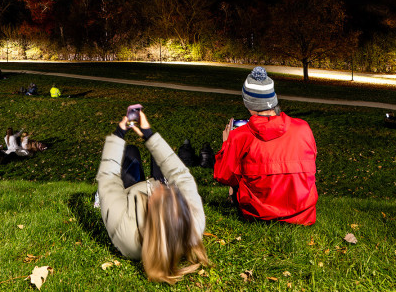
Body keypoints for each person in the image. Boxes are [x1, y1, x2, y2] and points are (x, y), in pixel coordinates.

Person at [96, 109, 209, 284]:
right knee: (159, 160)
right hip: (151, 203)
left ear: (152, 214)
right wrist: (148, 134)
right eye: (173, 194)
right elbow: (180, 175)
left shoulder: (127, 236)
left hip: (129, 194)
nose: (164, 188)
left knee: (130, 151)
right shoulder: (193, 224)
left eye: (162, 194)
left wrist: (119, 133)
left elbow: (108, 180)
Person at [213, 66, 317, 225]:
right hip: (302, 213)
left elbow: (224, 176)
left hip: (259, 215)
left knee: (238, 169)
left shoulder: (240, 136)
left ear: (247, 102)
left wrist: (227, 143)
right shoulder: (304, 128)